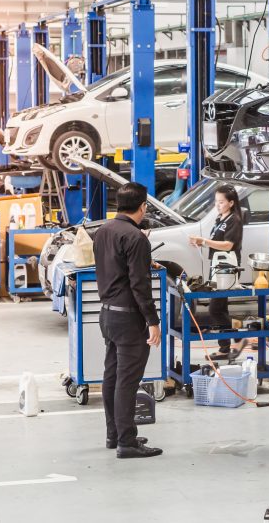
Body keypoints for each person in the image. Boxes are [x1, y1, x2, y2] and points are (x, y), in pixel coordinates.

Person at [93, 182, 163, 459]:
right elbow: (139, 285)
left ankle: (115, 433)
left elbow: (117, 267)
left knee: (111, 376)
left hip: (107, 315)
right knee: (128, 381)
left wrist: (144, 260)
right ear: (143, 207)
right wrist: (153, 321)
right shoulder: (136, 238)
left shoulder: (103, 231)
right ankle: (128, 442)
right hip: (129, 319)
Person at [188, 185, 245, 361]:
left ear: (231, 202)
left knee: (215, 308)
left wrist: (204, 241)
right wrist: (202, 243)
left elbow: (228, 245)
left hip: (227, 269)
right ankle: (232, 340)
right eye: (216, 202)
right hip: (218, 268)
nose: (217, 205)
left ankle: (227, 345)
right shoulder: (221, 218)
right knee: (221, 307)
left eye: (221, 202)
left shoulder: (234, 220)